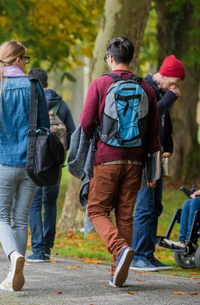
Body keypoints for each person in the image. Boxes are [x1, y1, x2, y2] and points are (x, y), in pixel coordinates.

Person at [80, 37, 161, 288]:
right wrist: (153, 169)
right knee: (125, 215)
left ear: (110, 58)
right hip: (136, 161)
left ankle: (120, 248)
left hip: (106, 158)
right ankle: (118, 271)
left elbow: (85, 123)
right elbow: (154, 133)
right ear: (131, 59)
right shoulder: (147, 89)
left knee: (96, 210)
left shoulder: (101, 83)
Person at [0, 41, 50, 292]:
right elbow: (44, 126)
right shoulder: (34, 86)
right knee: (21, 220)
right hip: (31, 163)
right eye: (26, 59)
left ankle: (13, 257)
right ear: (19, 60)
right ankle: (13, 273)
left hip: (2, 161)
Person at [131, 55, 185, 272]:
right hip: (144, 157)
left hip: (158, 156)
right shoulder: (146, 88)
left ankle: (148, 254)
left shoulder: (162, 91)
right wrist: (171, 97)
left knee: (155, 207)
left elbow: (164, 123)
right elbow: (150, 117)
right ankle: (138, 257)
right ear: (163, 75)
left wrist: (168, 146)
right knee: (144, 206)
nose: (175, 88)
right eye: (173, 82)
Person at [26, 68, 76, 263]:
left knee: (34, 204)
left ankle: (37, 250)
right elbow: (71, 132)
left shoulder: (31, 101)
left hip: (36, 163)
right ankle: (47, 248)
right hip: (55, 164)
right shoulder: (61, 105)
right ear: (46, 83)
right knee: (51, 203)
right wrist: (60, 154)